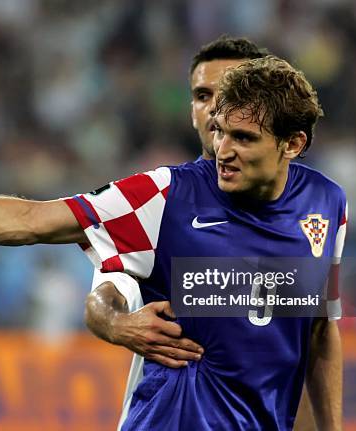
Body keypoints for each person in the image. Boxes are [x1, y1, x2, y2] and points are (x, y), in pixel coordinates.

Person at [0, 55, 344, 430]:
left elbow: (319, 328)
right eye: (219, 131)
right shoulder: (166, 195)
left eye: (244, 139)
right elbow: (33, 219)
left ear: (292, 144)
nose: (222, 150)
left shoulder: (327, 204)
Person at [85, 36, 318, 431]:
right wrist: (117, 323)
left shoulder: (312, 207)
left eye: (230, 92)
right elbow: (105, 294)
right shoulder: (161, 200)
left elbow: (306, 345)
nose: (215, 108)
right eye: (202, 95)